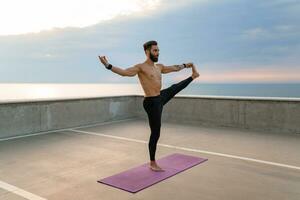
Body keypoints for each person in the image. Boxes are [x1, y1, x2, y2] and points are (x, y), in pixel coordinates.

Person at [98, 40, 200, 172]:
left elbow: (175, 68)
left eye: (158, 50)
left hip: (159, 97)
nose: (157, 53)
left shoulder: (159, 67)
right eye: (155, 50)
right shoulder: (141, 67)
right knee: (156, 132)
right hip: (151, 102)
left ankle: (193, 76)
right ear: (147, 52)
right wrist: (108, 65)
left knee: (174, 88)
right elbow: (124, 72)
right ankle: (152, 162)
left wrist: (186, 65)